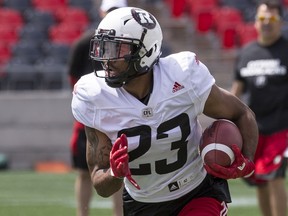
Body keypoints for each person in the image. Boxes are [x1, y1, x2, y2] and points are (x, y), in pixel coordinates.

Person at [71, 7, 258, 216]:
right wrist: (115, 172)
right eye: (104, 48)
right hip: (142, 202)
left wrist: (247, 160)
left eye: (117, 49)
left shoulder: (182, 75)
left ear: (146, 51)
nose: (106, 59)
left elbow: (242, 113)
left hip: (196, 192)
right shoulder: (94, 96)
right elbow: (99, 182)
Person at [68, 1, 127, 216]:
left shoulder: (129, 44)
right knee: (85, 171)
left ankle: (119, 213)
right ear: (102, 12)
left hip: (120, 115)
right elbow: (73, 79)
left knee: (118, 171)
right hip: (91, 117)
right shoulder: (84, 43)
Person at [231, 1, 288, 216]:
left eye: (271, 19)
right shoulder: (247, 52)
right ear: (255, 22)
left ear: (280, 22)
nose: (266, 23)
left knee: (274, 176)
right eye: (262, 19)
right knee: (260, 180)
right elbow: (236, 91)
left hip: (281, 128)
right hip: (255, 129)